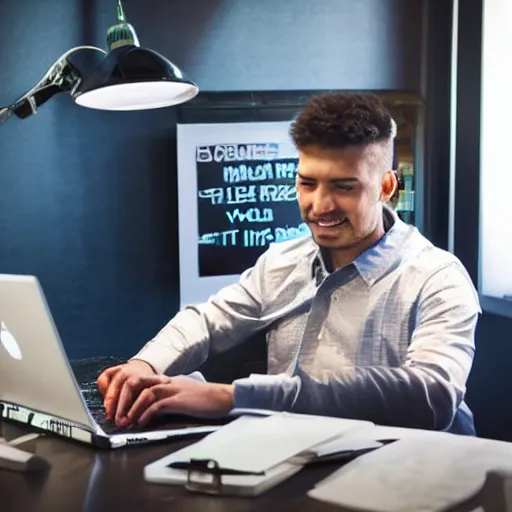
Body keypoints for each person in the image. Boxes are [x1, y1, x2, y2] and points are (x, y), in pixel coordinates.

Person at [97, 92, 481, 434]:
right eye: (307, 183)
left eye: (343, 186)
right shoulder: (283, 260)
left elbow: (432, 396)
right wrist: (144, 366)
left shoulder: (439, 278)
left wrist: (235, 397)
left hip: (408, 477)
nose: (320, 206)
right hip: (292, 458)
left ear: (386, 187)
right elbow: (207, 320)